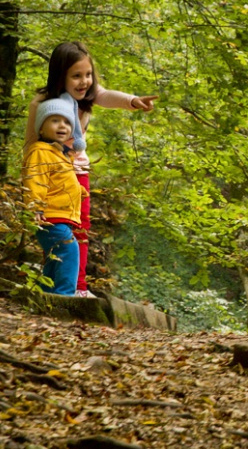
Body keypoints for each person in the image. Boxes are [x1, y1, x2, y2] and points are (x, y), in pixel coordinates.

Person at [23, 42, 158, 297]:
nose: (84, 81)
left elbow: (105, 95)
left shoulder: (88, 96)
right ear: (60, 75)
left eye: (88, 75)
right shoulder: (42, 103)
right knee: (57, 231)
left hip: (79, 174)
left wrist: (133, 101)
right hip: (51, 174)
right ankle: (57, 286)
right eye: (76, 76)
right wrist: (31, 194)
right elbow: (31, 144)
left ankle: (79, 287)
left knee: (81, 229)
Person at [22, 98, 83, 296]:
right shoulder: (40, 151)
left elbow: (60, 182)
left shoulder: (59, 154)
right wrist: (35, 207)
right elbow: (35, 179)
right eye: (55, 120)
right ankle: (65, 296)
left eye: (66, 122)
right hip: (49, 216)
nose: (62, 126)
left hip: (58, 216)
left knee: (54, 258)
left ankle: (46, 294)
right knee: (69, 250)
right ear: (41, 128)